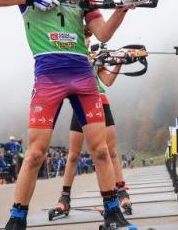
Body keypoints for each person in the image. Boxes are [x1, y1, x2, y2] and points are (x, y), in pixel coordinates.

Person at [0, 0, 146, 230]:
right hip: (49, 75)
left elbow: (102, 33)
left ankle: (113, 215)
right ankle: (15, 224)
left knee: (100, 151)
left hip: (83, 76)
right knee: (35, 153)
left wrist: (122, 9)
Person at [53, 31, 134, 215]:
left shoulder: (95, 57)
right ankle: (64, 197)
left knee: (111, 152)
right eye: (85, 36)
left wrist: (119, 62)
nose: (89, 40)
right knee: (73, 155)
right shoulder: (70, 56)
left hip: (101, 101)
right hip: (81, 103)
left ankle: (121, 191)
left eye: (89, 37)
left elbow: (107, 80)